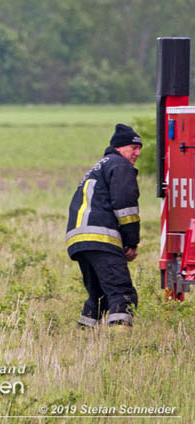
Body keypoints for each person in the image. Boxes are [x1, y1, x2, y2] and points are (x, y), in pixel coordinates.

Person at [66, 124, 142, 328]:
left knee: (99, 296)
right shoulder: (120, 166)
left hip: (79, 240)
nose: (138, 153)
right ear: (119, 147)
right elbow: (125, 205)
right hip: (101, 239)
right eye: (133, 148)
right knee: (122, 294)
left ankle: (83, 335)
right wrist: (131, 241)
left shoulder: (99, 166)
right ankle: (120, 347)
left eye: (139, 148)